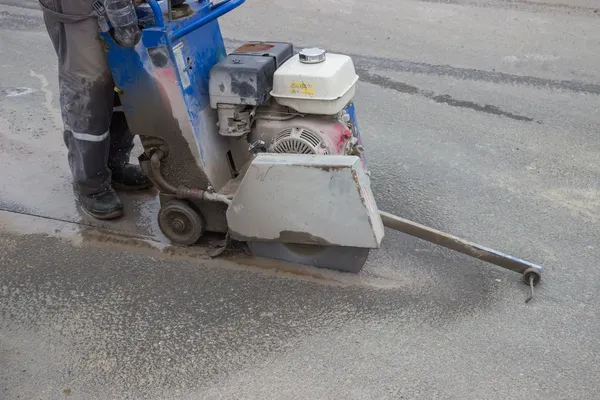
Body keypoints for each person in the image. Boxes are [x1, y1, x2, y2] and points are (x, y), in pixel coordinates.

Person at [38, 0, 149, 220]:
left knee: (125, 81)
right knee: (89, 89)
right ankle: (90, 183)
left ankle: (114, 164)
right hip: (79, 9)